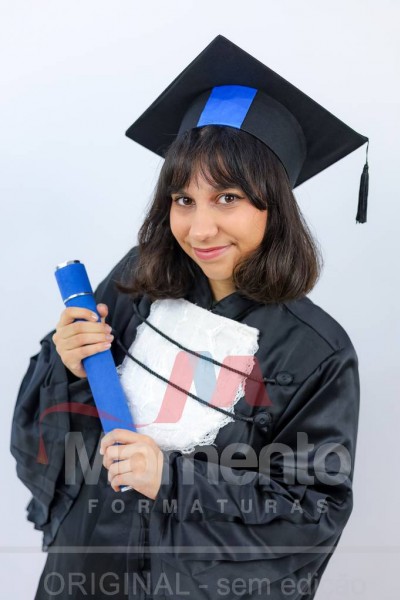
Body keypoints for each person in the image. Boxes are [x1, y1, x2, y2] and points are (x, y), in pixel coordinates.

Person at [11, 35, 366, 600]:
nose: (200, 229)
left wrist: (172, 479)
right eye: (183, 199)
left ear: (275, 205)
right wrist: (69, 365)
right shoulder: (137, 279)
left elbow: (309, 517)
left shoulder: (317, 353)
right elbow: (54, 438)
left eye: (228, 198)